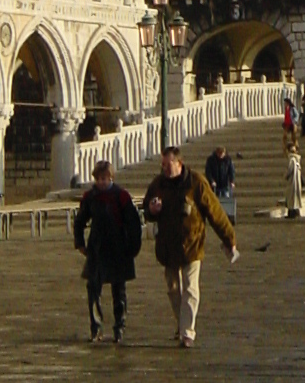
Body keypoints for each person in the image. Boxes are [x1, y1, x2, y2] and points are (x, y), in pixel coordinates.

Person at [143, 145, 237, 348]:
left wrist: (229, 238)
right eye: (163, 165)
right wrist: (152, 210)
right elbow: (147, 208)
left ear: (180, 163)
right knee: (173, 289)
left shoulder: (196, 182)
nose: (166, 170)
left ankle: (187, 333)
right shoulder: (158, 184)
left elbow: (215, 212)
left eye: (169, 165)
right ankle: (182, 322)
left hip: (192, 245)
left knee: (190, 288)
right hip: (168, 247)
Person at [73, 158, 143, 344]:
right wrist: (80, 243)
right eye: (99, 179)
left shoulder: (121, 196)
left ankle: (119, 328)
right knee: (93, 289)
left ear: (111, 177)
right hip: (97, 248)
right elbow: (80, 221)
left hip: (118, 248)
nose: (102, 182)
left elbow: (133, 223)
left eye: (105, 178)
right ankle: (96, 328)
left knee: (119, 291)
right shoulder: (90, 197)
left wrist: (133, 247)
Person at [204, 146, 236, 223]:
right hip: (214, 184)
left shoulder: (228, 160)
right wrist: (211, 181)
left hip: (225, 184)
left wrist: (232, 181)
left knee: (226, 199)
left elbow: (231, 171)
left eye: (222, 154)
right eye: (220, 154)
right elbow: (208, 172)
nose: (221, 156)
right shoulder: (211, 160)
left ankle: (226, 215)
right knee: (215, 200)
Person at [284, 146, 303, 218]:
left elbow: (289, 170)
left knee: (291, 197)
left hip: (292, 181)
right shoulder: (297, 159)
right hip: (296, 181)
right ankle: (295, 211)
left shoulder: (292, 160)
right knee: (294, 197)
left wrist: (285, 176)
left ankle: (292, 213)